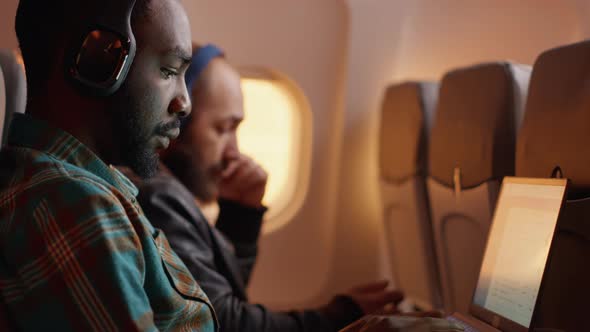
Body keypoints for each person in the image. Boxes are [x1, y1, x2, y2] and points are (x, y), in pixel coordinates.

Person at [129, 44, 462, 332]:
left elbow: (221, 296)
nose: (234, 151)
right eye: (222, 128)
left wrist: (240, 217)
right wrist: (341, 315)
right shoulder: (159, 197)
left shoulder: (170, 195)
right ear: (177, 119)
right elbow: (226, 321)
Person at [0, 0, 219, 330]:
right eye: (169, 71)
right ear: (97, 60)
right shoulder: (69, 202)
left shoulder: (94, 187)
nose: (184, 103)